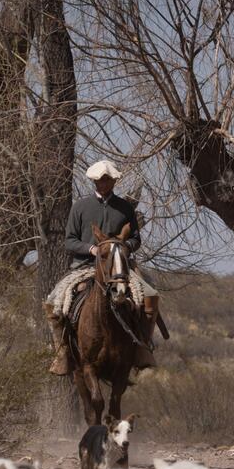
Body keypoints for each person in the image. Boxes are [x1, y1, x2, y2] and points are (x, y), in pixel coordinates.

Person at [45, 159, 161, 375]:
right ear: (93, 181)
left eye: (107, 180)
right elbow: (69, 241)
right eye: (99, 180)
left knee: (151, 294)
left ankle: (142, 347)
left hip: (119, 266)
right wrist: (91, 249)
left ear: (114, 181)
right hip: (84, 266)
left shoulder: (125, 208)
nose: (103, 184)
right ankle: (62, 352)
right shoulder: (80, 207)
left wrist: (124, 246)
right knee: (54, 300)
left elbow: (136, 238)